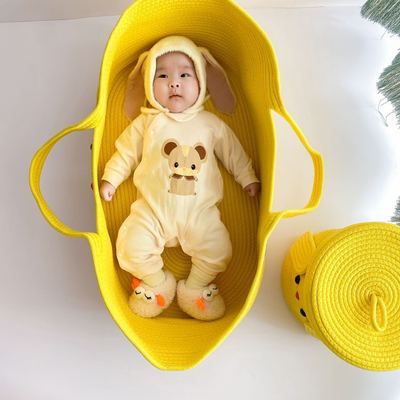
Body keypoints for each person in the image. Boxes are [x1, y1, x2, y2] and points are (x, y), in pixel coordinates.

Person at [100, 36, 260, 320]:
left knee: (219, 249)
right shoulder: (148, 123)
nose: (174, 83)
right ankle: (156, 283)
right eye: (162, 76)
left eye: (185, 75)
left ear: (201, 82)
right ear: (149, 84)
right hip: (152, 212)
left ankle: (195, 288)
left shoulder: (210, 124)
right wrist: (111, 178)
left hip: (200, 214)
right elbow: (126, 152)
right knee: (129, 246)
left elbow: (232, 151)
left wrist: (247, 176)